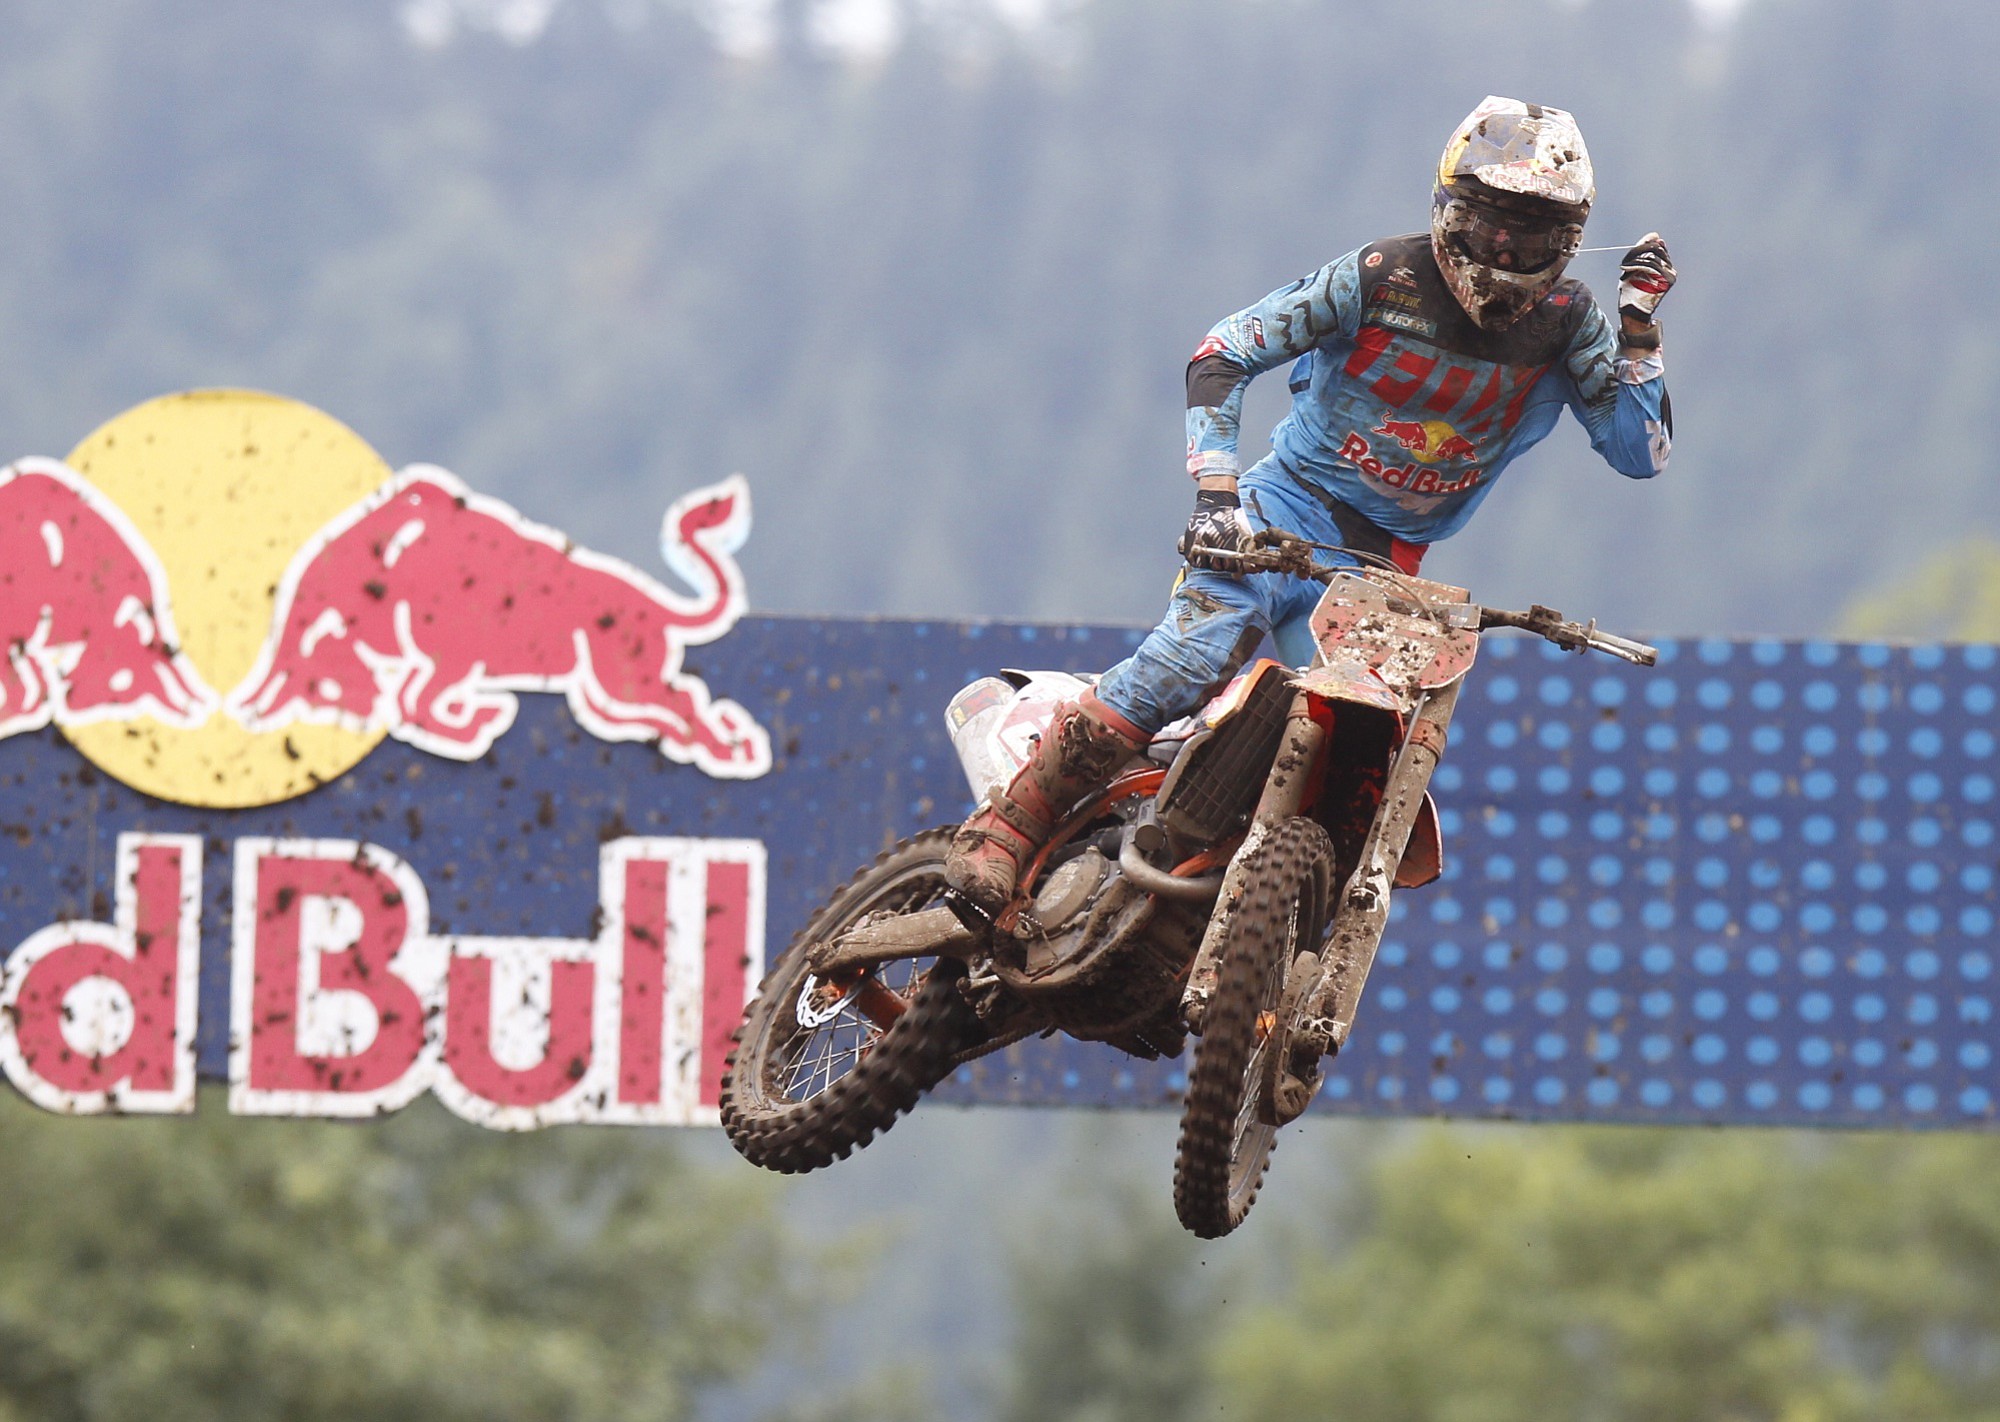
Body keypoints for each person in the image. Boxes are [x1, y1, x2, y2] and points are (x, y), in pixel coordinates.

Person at [945, 95, 1676, 911]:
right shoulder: (1379, 275)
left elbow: (1638, 454)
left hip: (1384, 570)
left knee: (1366, 763)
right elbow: (1224, 351)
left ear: (1568, 243)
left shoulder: (1570, 322)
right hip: (1281, 509)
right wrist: (1216, 493)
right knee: (1188, 658)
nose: (1505, 252)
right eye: (1489, 226)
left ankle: (1237, 930)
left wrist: (1638, 329)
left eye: (1531, 236)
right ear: (1447, 208)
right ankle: (1003, 834)